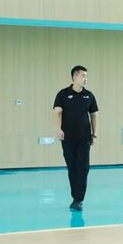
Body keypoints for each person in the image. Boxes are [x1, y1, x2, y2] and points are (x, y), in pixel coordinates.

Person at [53, 65, 99, 212]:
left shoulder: (89, 96)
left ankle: (79, 200)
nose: (86, 78)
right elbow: (57, 112)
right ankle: (75, 197)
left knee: (83, 168)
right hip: (68, 138)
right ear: (75, 77)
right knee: (72, 167)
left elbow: (94, 115)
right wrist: (58, 129)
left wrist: (94, 133)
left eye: (86, 76)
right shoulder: (63, 94)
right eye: (83, 76)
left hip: (84, 138)